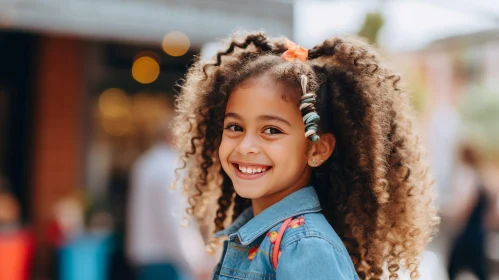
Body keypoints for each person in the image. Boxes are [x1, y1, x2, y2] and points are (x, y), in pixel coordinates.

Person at [172, 31, 439, 279]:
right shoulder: (259, 235)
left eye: (271, 130)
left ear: (317, 149)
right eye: (234, 127)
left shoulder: (304, 246)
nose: (245, 145)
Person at [126, 120, 213, 280]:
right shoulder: (172, 167)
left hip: (148, 259)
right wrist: (197, 263)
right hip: (168, 262)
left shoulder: (146, 162)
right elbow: (178, 220)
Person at [446, 145, 491, 280]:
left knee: (452, 269)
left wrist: (454, 221)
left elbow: (465, 207)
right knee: (480, 271)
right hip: (479, 232)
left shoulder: (466, 175)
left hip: (467, 233)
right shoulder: (482, 177)